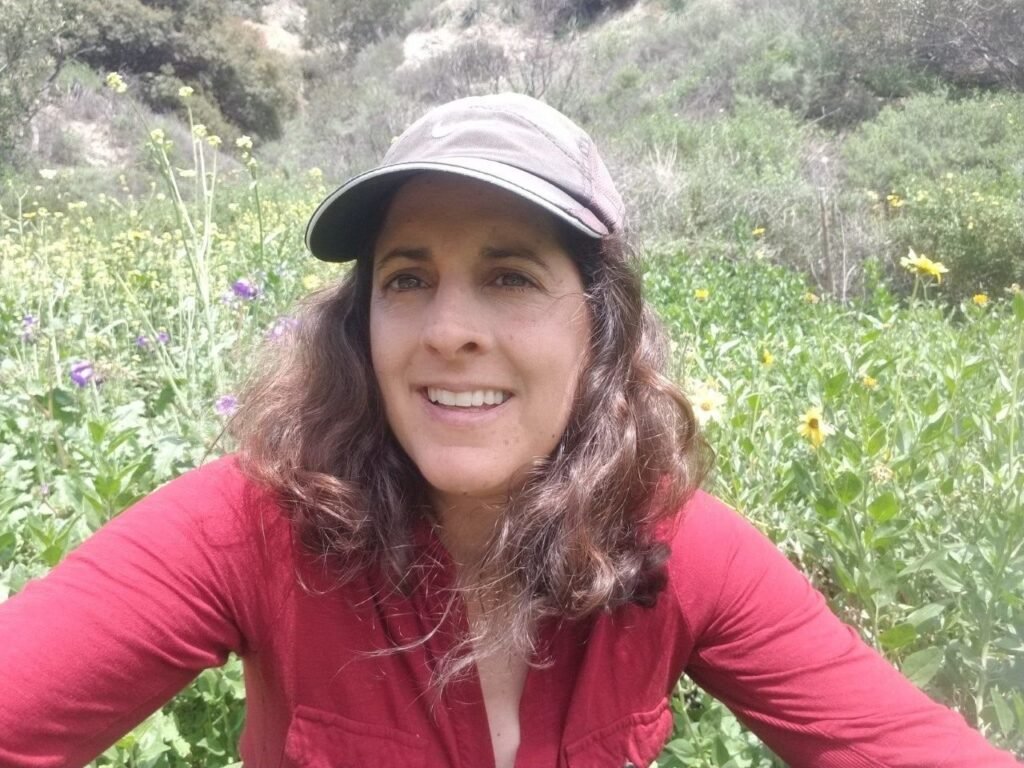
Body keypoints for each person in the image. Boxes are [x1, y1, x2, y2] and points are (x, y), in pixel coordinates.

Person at [1, 93, 1019, 768]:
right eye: (407, 279)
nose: (448, 331)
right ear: (363, 325)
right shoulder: (252, 526)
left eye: (509, 276)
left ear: (600, 325)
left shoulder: (674, 548)